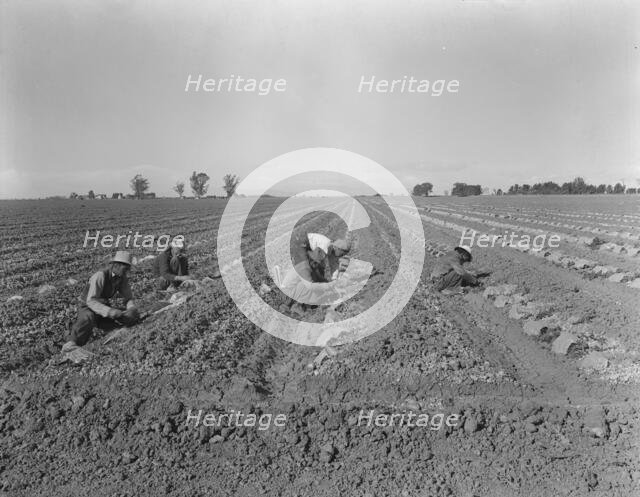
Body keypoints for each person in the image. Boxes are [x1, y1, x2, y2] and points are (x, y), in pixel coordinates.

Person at [63, 251, 140, 351]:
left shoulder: (122, 278)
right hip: (87, 305)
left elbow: (128, 297)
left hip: (103, 305)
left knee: (126, 317)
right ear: (117, 265)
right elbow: (91, 301)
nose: (127, 271)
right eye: (125, 269)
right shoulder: (100, 276)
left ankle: (106, 326)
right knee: (88, 317)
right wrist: (109, 311)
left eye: (128, 269)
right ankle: (71, 342)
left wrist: (131, 308)